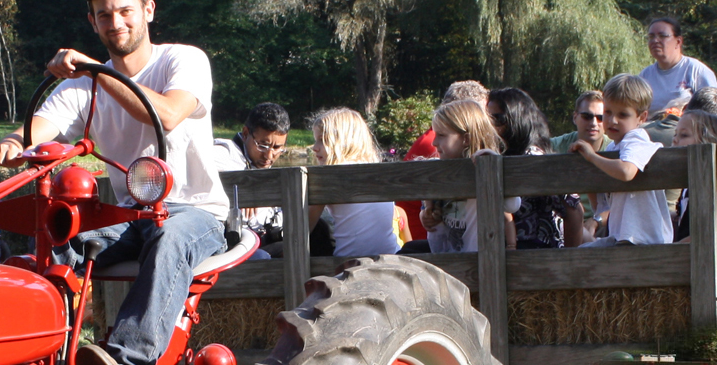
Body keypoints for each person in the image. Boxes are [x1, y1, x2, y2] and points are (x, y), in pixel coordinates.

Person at [0, 0, 227, 365]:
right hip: (130, 213)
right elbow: (43, 126)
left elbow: (169, 115)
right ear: (92, 23)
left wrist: (98, 74)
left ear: (148, 10)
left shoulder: (183, 61)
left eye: (124, 11)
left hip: (195, 212)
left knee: (170, 236)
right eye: (103, 15)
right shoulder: (84, 86)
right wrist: (17, 143)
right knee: (62, 234)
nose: (115, 23)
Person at [575, 74, 670, 246]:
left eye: (623, 115)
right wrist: (589, 178)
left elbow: (626, 172)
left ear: (642, 117)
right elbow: (602, 207)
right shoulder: (613, 148)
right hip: (622, 236)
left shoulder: (637, 139)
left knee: (582, 259)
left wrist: (592, 157)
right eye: (608, 112)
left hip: (644, 237)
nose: (612, 121)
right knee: (581, 254)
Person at [487, 87, 585, 248]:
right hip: (504, 256)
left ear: (516, 119)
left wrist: (570, 263)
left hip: (539, 256)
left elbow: (574, 210)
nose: (490, 126)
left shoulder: (533, 157)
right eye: (487, 119)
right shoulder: (499, 156)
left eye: (496, 119)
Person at [406, 100, 501, 253]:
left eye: (442, 135)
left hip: (477, 262)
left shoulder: (482, 167)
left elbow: (512, 205)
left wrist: (490, 161)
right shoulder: (438, 172)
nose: (435, 142)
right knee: (408, 251)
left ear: (466, 139)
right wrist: (427, 214)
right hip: (448, 260)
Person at [305, 107, 399, 256]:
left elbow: (304, 227)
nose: (314, 148)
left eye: (322, 140)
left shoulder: (329, 176)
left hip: (349, 263)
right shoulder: (380, 172)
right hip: (392, 255)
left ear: (343, 143)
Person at [211, 102, 290, 253]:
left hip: (267, 236)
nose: (269, 156)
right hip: (236, 246)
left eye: (277, 148)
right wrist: (246, 184)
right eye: (262, 145)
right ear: (246, 133)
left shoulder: (261, 161)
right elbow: (202, 164)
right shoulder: (226, 151)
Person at [637, 18, 717, 144]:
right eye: (651, 36)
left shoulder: (696, 70)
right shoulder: (644, 76)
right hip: (650, 143)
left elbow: (716, 112)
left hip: (688, 145)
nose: (655, 41)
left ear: (678, 41)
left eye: (662, 36)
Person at [670, 111, 717, 242]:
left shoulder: (709, 184)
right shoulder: (689, 186)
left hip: (711, 256)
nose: (675, 139)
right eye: (675, 134)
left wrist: (680, 245)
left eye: (684, 135)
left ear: (707, 143)